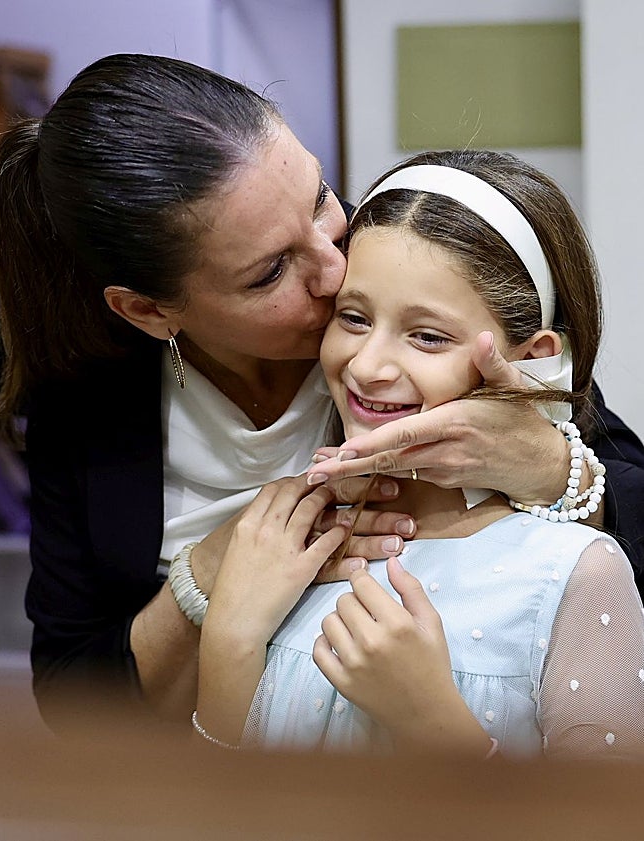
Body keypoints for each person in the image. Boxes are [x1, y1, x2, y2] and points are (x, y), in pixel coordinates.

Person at [0, 53, 644, 732]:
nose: (335, 270)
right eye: (270, 271)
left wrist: (546, 464)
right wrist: (211, 576)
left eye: (320, 196)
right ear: (149, 312)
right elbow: (75, 706)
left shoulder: (396, 275)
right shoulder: (89, 404)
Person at [194, 150, 644, 760]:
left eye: (428, 336)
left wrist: (432, 726)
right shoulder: (284, 553)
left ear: (532, 358)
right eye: (353, 317)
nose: (367, 365)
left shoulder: (576, 572)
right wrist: (230, 640)